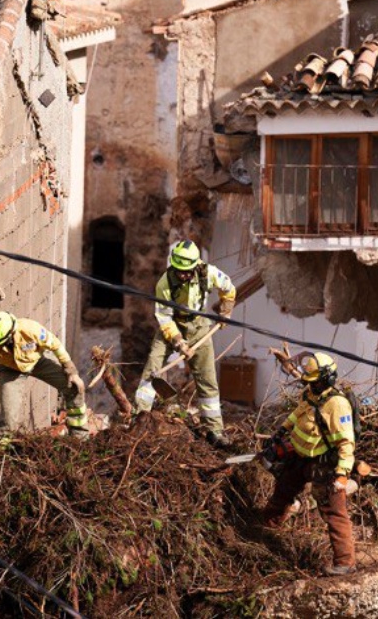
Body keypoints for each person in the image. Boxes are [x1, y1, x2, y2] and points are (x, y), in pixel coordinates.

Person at [258, 352, 357, 575]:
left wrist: (341, 475)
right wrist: (282, 430)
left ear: (327, 378)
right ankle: (265, 531)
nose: (312, 386)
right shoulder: (311, 394)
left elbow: (346, 443)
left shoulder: (337, 405)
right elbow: (298, 413)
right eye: (309, 382)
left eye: (316, 382)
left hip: (325, 464)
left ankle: (345, 563)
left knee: (334, 511)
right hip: (300, 457)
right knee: (282, 492)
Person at [132, 240, 237, 446]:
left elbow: (229, 287)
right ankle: (138, 419)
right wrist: (179, 343)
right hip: (172, 326)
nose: (182, 275)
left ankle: (214, 431)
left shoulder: (208, 273)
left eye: (186, 272)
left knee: (207, 380)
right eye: (179, 271)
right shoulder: (165, 283)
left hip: (199, 328)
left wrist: (226, 310)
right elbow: (164, 318)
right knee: (151, 370)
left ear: (195, 266)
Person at [0, 311, 88, 438]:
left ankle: (79, 437)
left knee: (74, 387)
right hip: (9, 370)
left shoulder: (31, 330)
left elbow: (56, 345)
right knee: (9, 419)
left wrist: (71, 370)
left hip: (37, 361)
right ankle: (2, 452)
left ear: (10, 335)